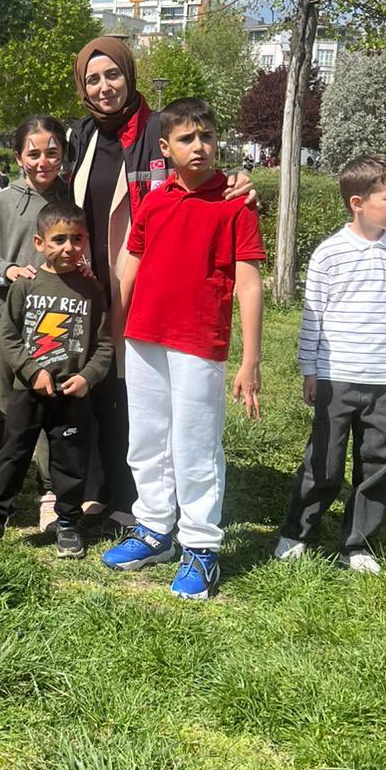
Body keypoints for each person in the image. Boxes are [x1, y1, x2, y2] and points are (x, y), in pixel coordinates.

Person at [102, 98, 265, 600]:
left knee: (196, 446)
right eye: (187, 139)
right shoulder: (153, 202)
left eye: (207, 136)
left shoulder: (235, 204)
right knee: (147, 439)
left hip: (198, 342)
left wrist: (251, 360)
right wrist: (114, 329)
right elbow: (130, 268)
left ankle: (200, 545)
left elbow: (249, 284)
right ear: (166, 147)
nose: (199, 146)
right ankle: (154, 530)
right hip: (144, 337)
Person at [274, 154, 386, 573]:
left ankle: (357, 544)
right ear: (357, 203)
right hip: (336, 378)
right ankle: (297, 533)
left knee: (378, 464)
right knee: (323, 463)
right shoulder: (330, 253)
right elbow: (313, 317)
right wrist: (309, 369)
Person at [0, 201, 112, 557]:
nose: (68, 247)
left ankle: (67, 523)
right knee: (12, 455)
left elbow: (104, 343)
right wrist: (31, 371)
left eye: (77, 239)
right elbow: (8, 335)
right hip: (28, 391)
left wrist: (87, 378)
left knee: (70, 461)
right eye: (59, 239)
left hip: (72, 393)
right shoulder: (26, 285)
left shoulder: (91, 289)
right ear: (39, 243)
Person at [0, 116, 70, 529]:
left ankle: (50, 490)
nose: (43, 161)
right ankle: (4, 492)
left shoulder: (73, 197)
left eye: (52, 152)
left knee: (50, 404)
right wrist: (9, 271)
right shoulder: (3, 202)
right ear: (18, 157)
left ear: (63, 155)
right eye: (33, 153)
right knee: (8, 408)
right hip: (6, 321)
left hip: (58, 322)